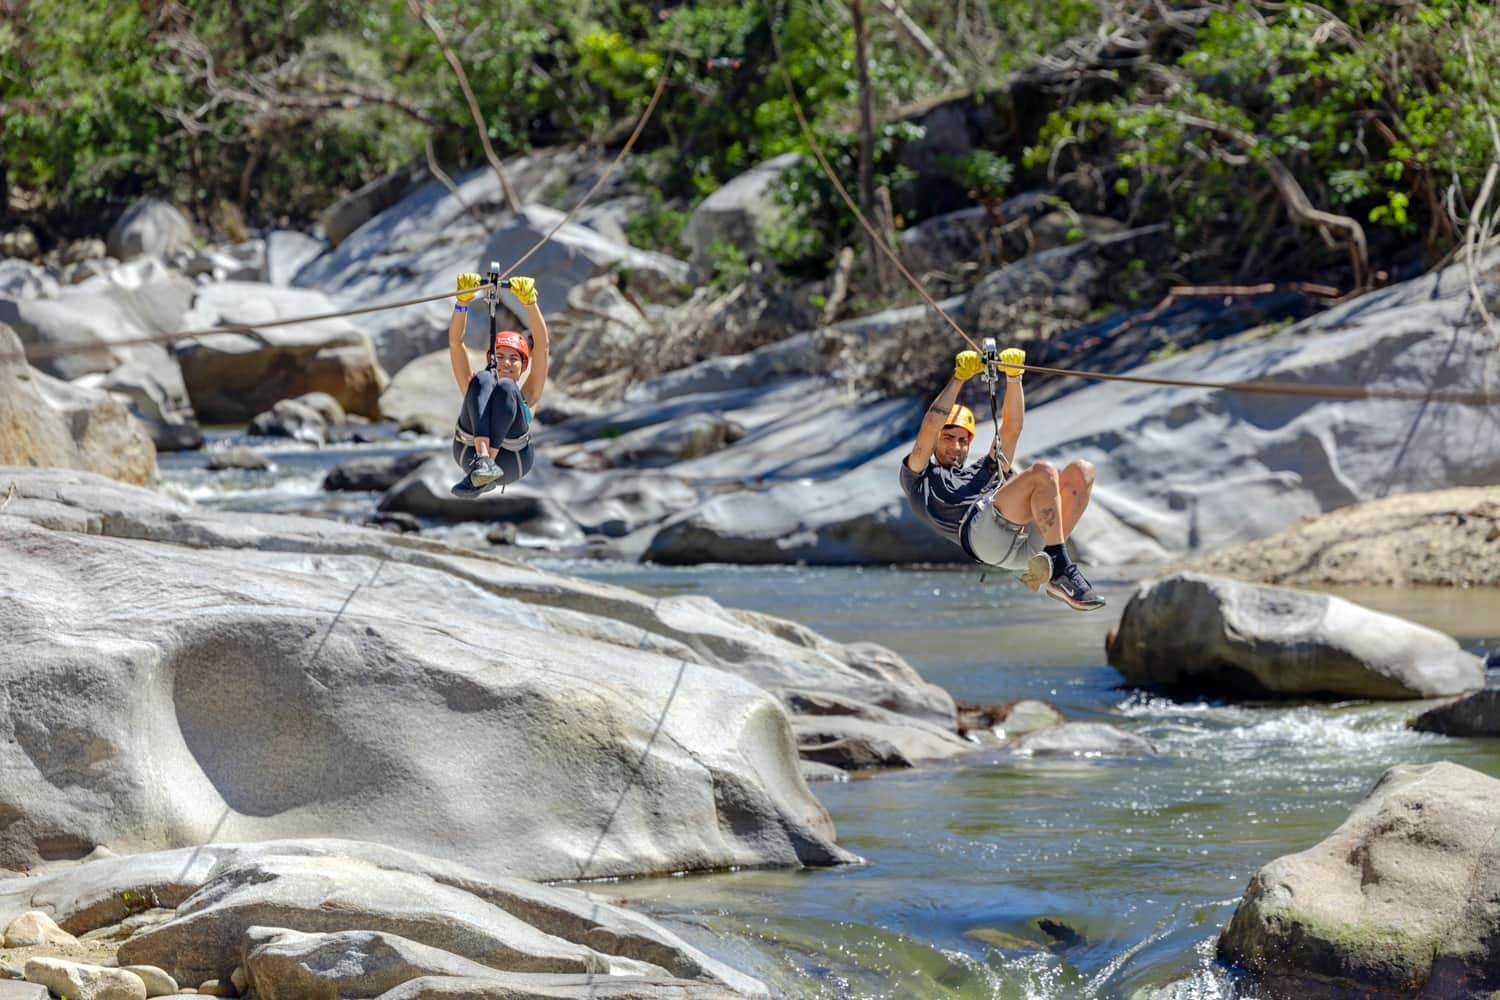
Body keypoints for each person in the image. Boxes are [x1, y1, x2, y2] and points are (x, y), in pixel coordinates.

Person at [899, 346, 1105, 611]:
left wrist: (1014, 376)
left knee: (1082, 471)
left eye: (963, 441)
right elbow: (929, 427)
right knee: (1043, 471)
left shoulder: (984, 470)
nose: (955, 446)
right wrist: (959, 378)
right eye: (948, 438)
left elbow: (1012, 428)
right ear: (938, 440)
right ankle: (1062, 567)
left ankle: (1055, 570)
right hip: (983, 538)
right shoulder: (919, 478)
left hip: (1027, 551)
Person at [447, 271, 549, 498]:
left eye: (514, 358)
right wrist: (462, 302)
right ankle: (484, 462)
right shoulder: (476, 389)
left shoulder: (529, 395)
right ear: (491, 359)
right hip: (468, 452)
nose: (506, 363)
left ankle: (486, 465)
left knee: (506, 388)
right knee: (483, 378)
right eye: (500, 357)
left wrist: (530, 303)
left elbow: (541, 347)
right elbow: (456, 343)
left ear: (523, 366)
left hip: (513, 461)